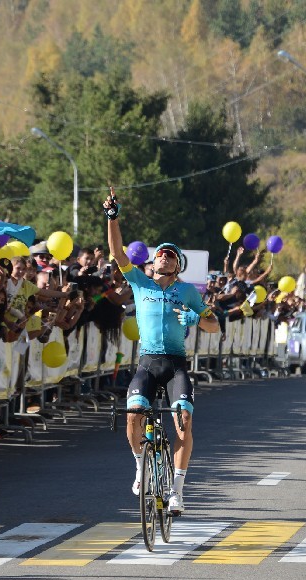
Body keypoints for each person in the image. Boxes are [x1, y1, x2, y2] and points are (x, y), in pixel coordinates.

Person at [105, 190, 220, 514]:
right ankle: (141, 464)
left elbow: (215, 328)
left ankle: (177, 492)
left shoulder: (187, 291)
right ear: (154, 261)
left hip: (176, 367)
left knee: (184, 419)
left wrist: (199, 318)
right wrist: (113, 217)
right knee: (132, 416)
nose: (164, 257)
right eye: (160, 254)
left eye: (170, 255)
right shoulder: (141, 283)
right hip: (148, 364)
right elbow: (117, 252)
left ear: (177, 264)